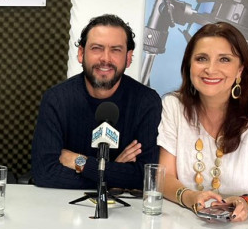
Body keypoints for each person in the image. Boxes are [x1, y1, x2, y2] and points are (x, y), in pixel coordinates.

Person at [159, 21, 248, 221]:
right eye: (201, 58)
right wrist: (190, 196)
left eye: (224, 60)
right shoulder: (174, 106)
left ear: (240, 70)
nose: (210, 69)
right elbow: (164, 177)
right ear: (189, 65)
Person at [31, 14, 162, 190]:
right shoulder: (57, 99)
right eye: (97, 48)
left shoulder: (146, 101)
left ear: (128, 57)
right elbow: (44, 173)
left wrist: (81, 163)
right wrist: (114, 173)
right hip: (64, 209)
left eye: (115, 50)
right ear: (81, 53)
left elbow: (144, 177)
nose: (105, 58)